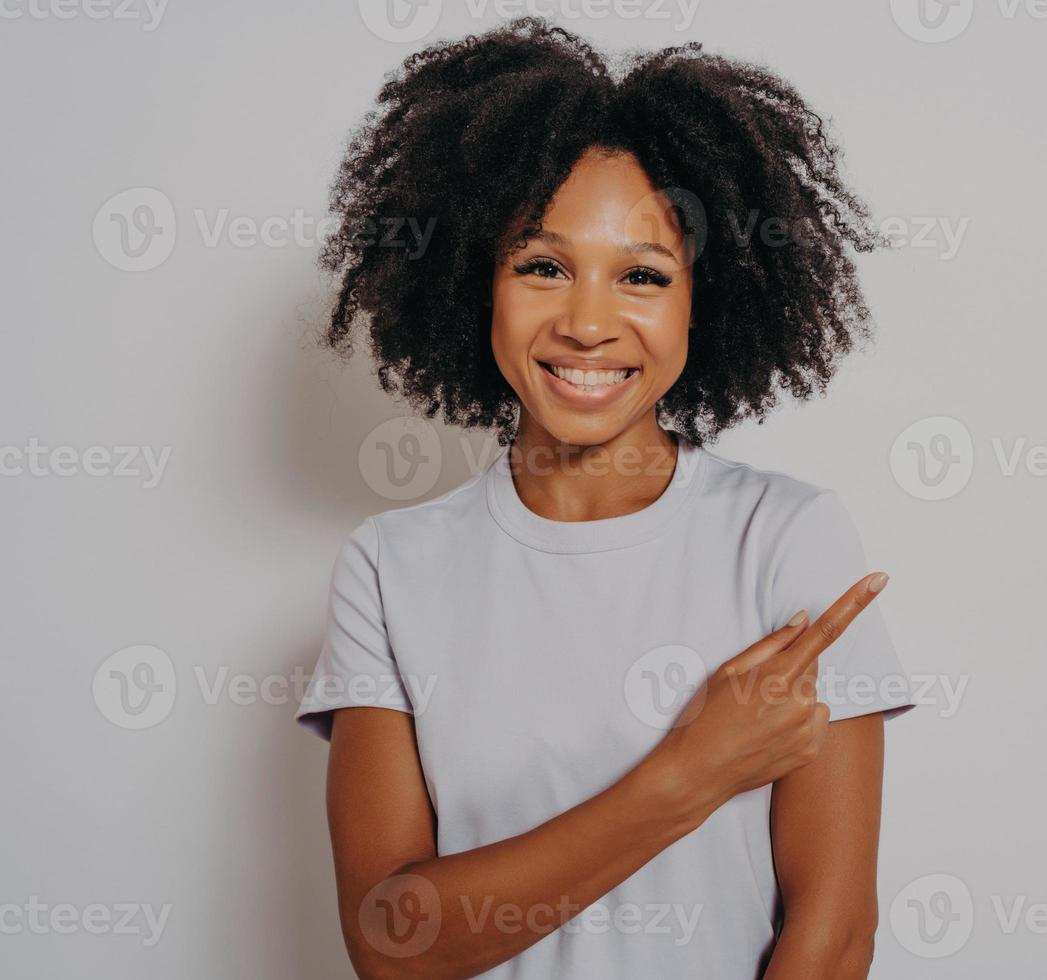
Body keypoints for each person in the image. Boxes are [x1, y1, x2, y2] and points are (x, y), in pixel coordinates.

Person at [295, 18, 915, 979]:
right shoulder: (391, 566)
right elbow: (390, 941)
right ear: (475, 285)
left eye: (643, 275)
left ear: (704, 303)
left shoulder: (785, 539)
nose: (588, 323)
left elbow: (831, 940)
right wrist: (692, 771)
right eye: (542, 266)